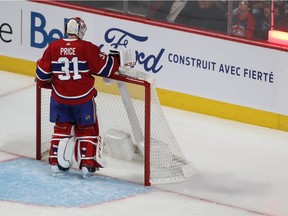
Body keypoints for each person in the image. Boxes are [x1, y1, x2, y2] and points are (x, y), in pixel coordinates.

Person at [36, 17, 125, 178]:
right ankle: (87, 165)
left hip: (59, 99)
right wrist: (118, 59)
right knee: (87, 130)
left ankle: (56, 163)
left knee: (61, 129)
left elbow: (41, 76)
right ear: (81, 30)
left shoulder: (53, 47)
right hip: (82, 100)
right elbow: (106, 68)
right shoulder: (87, 47)